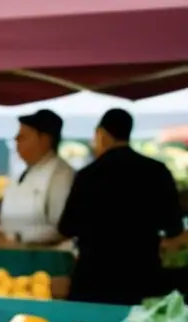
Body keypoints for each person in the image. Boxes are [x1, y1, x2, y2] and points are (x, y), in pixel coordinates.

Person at [60, 109, 185, 305]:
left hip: (93, 278)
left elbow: (66, 227)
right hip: (141, 278)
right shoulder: (157, 172)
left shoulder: (88, 175)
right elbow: (174, 228)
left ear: (102, 134)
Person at [0, 109, 75, 245]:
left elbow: (60, 228)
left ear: (44, 139)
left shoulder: (61, 174)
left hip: (46, 261)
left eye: (23, 136)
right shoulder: (26, 171)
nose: (16, 139)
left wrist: (17, 238)